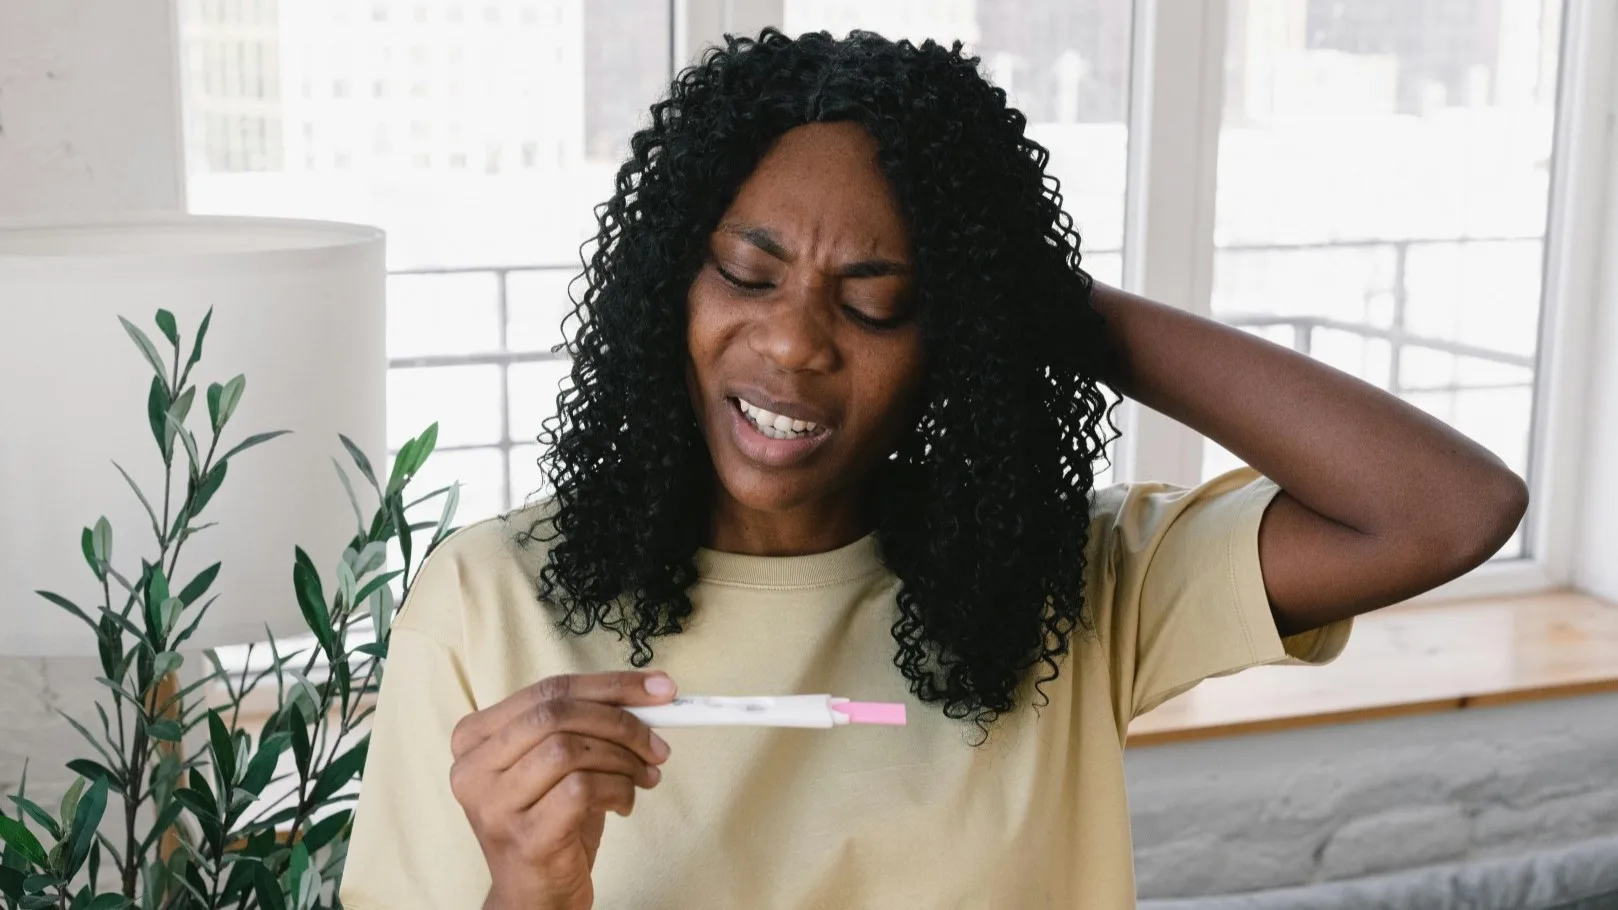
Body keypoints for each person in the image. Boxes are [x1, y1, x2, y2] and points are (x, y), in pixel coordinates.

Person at [339, 29, 1527, 910]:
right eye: (748, 275)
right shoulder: (485, 601)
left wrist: (1026, 297)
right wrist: (528, 888)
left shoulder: (1059, 584)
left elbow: (1447, 509)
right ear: (667, 288)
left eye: (878, 301)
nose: (794, 341)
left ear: (951, 340)